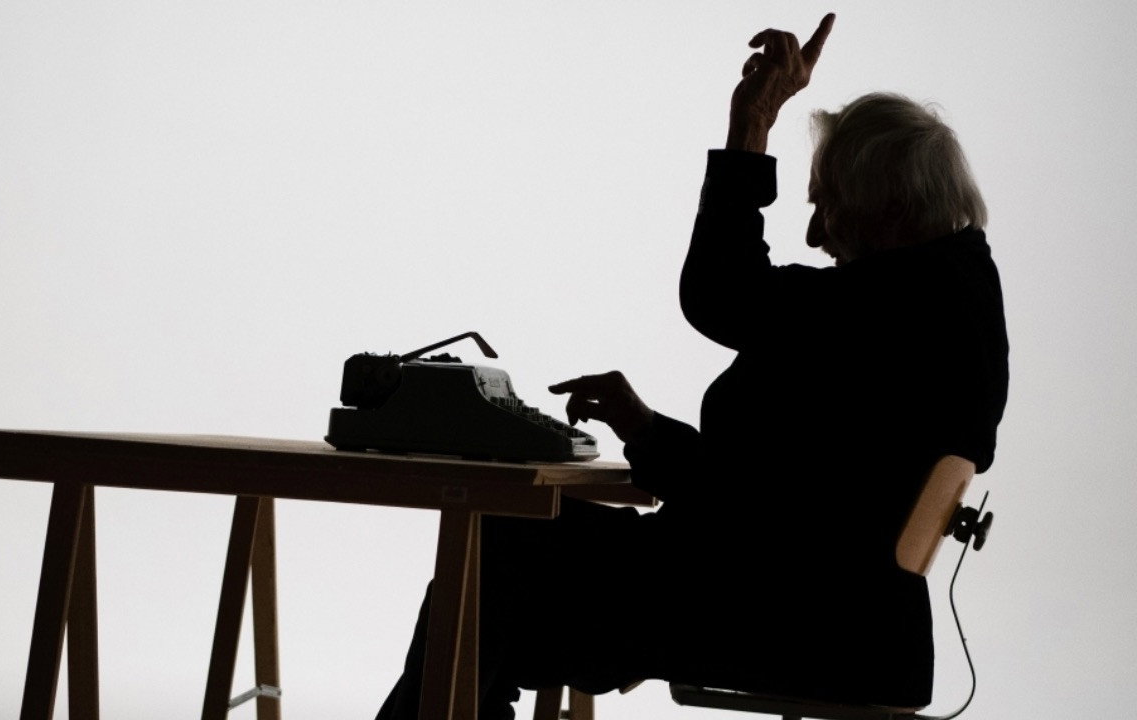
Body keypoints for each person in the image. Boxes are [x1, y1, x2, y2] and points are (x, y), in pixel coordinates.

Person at [375, 13, 1008, 719]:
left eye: (827, 206)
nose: (813, 235)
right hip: (831, 612)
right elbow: (787, 494)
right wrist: (648, 431)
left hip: (793, 619)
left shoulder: (902, 305)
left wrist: (752, 123)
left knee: (493, 548)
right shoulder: (946, 302)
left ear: (887, 209)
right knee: (505, 569)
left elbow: (720, 292)